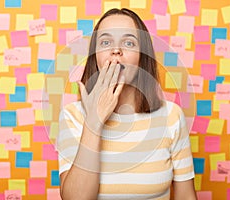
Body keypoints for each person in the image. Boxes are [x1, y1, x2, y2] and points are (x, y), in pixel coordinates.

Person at [57, 8, 197, 200]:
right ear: (95, 57)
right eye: (106, 42)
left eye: (129, 42)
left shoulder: (172, 116)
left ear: (142, 57)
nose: (116, 50)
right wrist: (93, 122)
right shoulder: (72, 116)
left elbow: (186, 197)